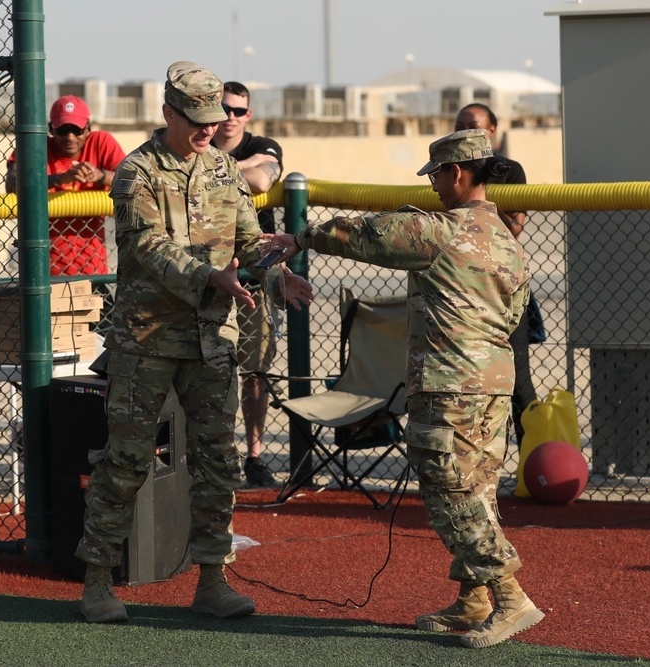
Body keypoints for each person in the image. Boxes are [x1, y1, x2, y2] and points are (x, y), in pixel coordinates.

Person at [263, 129, 543, 649]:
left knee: (449, 490)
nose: (434, 185)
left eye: (436, 175)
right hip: (490, 382)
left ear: (458, 173)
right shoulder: (504, 236)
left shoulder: (444, 231)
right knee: (477, 488)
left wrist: (300, 238)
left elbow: (368, 235)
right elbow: (510, 315)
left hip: (450, 382)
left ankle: (509, 596)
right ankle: (475, 598)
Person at [74, 61, 313, 624]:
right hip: (147, 340)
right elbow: (148, 249)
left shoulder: (225, 172)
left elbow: (250, 241)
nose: (210, 129)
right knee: (126, 460)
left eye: (216, 119)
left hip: (211, 342)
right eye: (198, 120)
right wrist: (210, 276)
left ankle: (212, 579)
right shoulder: (137, 173)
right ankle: (99, 581)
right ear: (168, 114)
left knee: (217, 462)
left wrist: (276, 276)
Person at [211, 81, 284, 488]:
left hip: (253, 276)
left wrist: (212, 170)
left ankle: (254, 455)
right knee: (210, 369)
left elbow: (261, 182)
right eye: (224, 108)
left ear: (248, 114)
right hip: (208, 276)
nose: (230, 117)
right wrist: (241, 165)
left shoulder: (263, 143)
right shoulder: (197, 137)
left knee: (255, 370)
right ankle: (218, 454)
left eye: (238, 110)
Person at [455, 103, 538, 447]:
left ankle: (532, 460)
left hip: (501, 289)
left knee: (517, 379)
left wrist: (473, 212)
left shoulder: (508, 170)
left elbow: (514, 229)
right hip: (460, 288)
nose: (465, 132)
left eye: (474, 127)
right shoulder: (449, 170)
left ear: (492, 131)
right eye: (459, 126)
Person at [5, 95, 126, 277]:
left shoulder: (100, 142)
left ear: (88, 129)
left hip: (92, 264)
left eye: (76, 130)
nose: (70, 137)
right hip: (44, 268)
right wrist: (59, 179)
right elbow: (12, 184)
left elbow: (130, 180)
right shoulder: (37, 146)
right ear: (51, 129)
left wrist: (100, 175)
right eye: (63, 130)